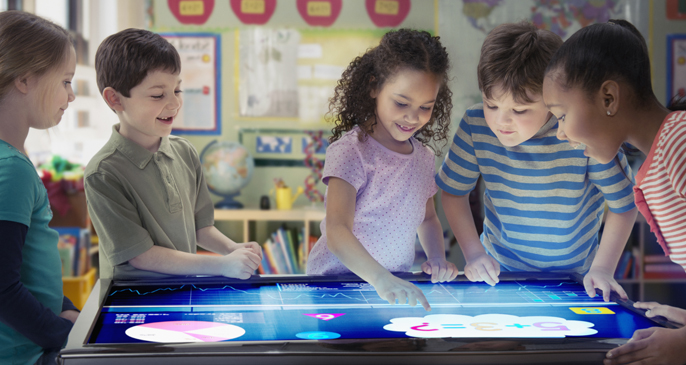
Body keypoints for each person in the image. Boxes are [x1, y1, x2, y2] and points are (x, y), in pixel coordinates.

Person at [543, 19, 686, 365]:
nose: (559, 133)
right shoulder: (661, 157)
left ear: (609, 97)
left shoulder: (685, 142)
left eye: (562, 114)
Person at [437, 21, 638, 301]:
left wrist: (603, 269)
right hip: (500, 274)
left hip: (576, 279)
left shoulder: (581, 132)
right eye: (491, 104)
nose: (500, 121)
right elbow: (453, 193)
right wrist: (474, 254)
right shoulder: (475, 124)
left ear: (552, 98)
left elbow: (624, 205)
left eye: (520, 109)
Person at [86, 28, 262, 281]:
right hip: (133, 299)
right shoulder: (103, 173)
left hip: (183, 291)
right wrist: (221, 265)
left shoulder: (185, 151)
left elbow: (201, 227)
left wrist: (232, 249)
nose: (174, 103)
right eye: (158, 94)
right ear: (115, 99)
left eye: (177, 90)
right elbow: (141, 255)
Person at [305, 29, 458, 311]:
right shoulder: (352, 151)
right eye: (401, 103)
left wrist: (436, 257)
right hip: (336, 287)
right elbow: (337, 230)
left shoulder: (424, 157)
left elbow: (428, 219)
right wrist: (380, 279)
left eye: (426, 106)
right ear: (374, 87)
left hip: (391, 285)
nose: (413, 117)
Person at [0, 10, 80, 365]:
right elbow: (2, 287)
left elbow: (25, 269)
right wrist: (66, 334)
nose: (72, 95)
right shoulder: (11, 169)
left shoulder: (13, 160)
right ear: (24, 79)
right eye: (65, 81)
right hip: (22, 355)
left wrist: (64, 308)